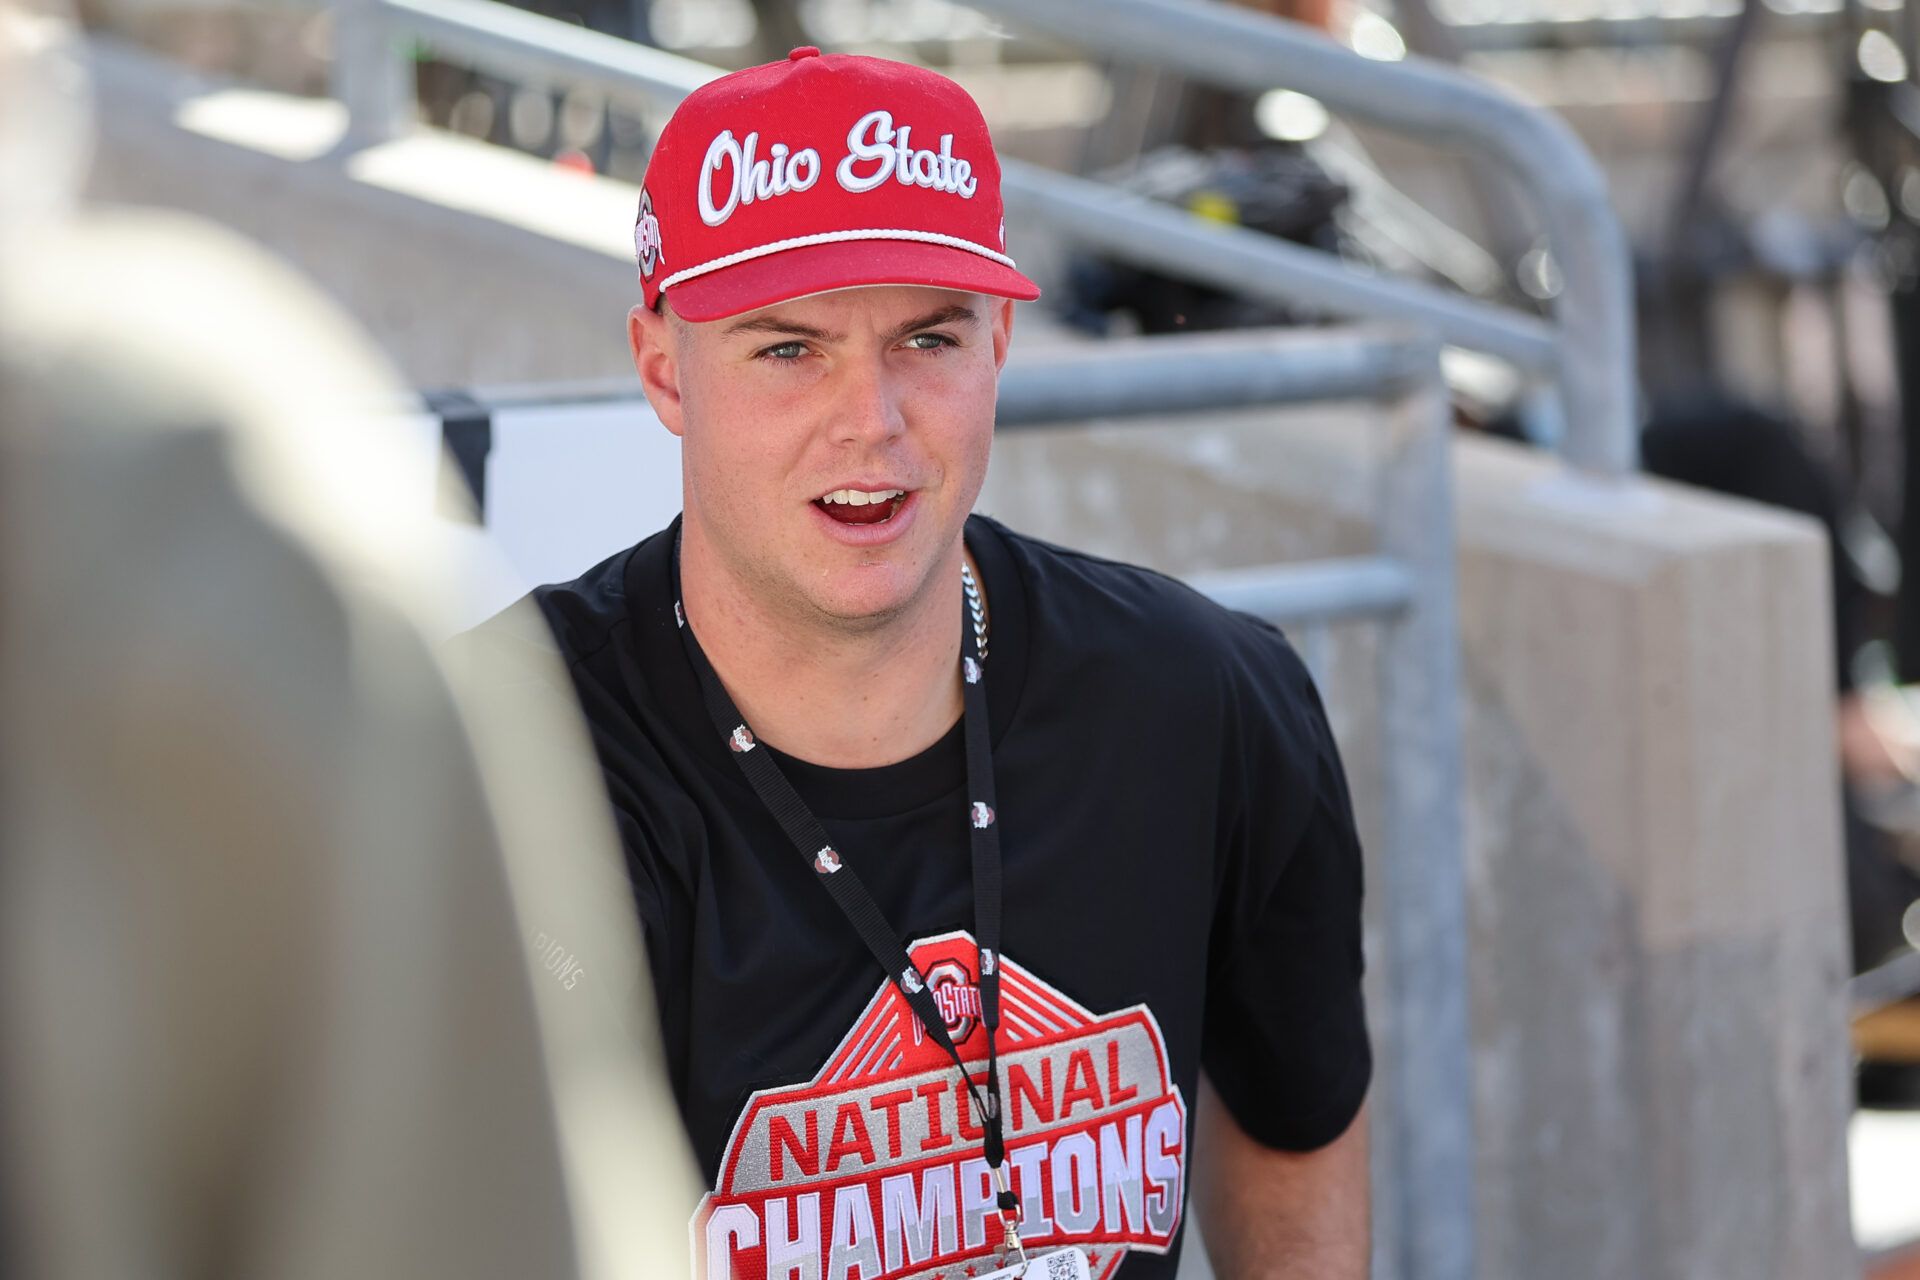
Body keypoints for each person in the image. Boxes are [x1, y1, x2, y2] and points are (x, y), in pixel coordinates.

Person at [468, 45, 1371, 1279]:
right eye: (789, 348)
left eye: (928, 339)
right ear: (664, 366)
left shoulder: (1201, 700)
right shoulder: (494, 765)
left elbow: (1297, 1111)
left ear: (1001, 340)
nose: (873, 420)